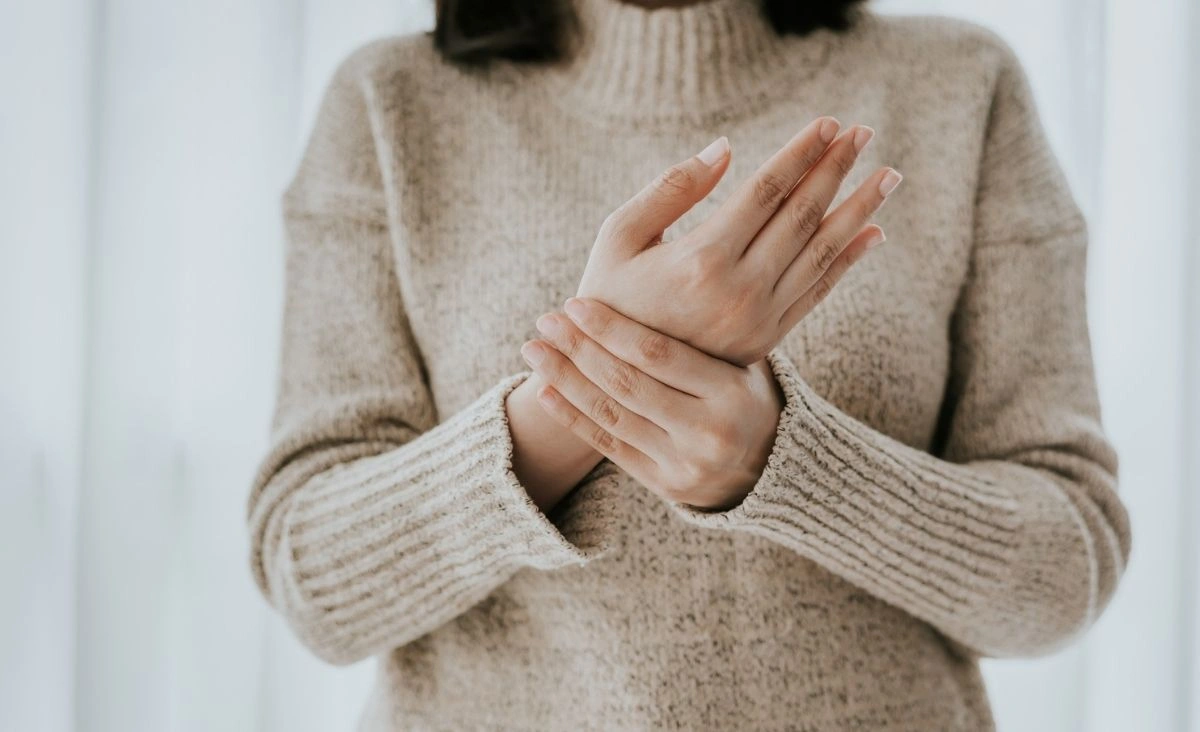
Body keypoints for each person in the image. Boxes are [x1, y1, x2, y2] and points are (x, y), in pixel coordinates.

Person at [245, 0, 1132, 728]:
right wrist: (582, 397)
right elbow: (313, 582)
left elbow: (1065, 574)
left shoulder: (960, 84)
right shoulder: (390, 102)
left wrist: (780, 461)